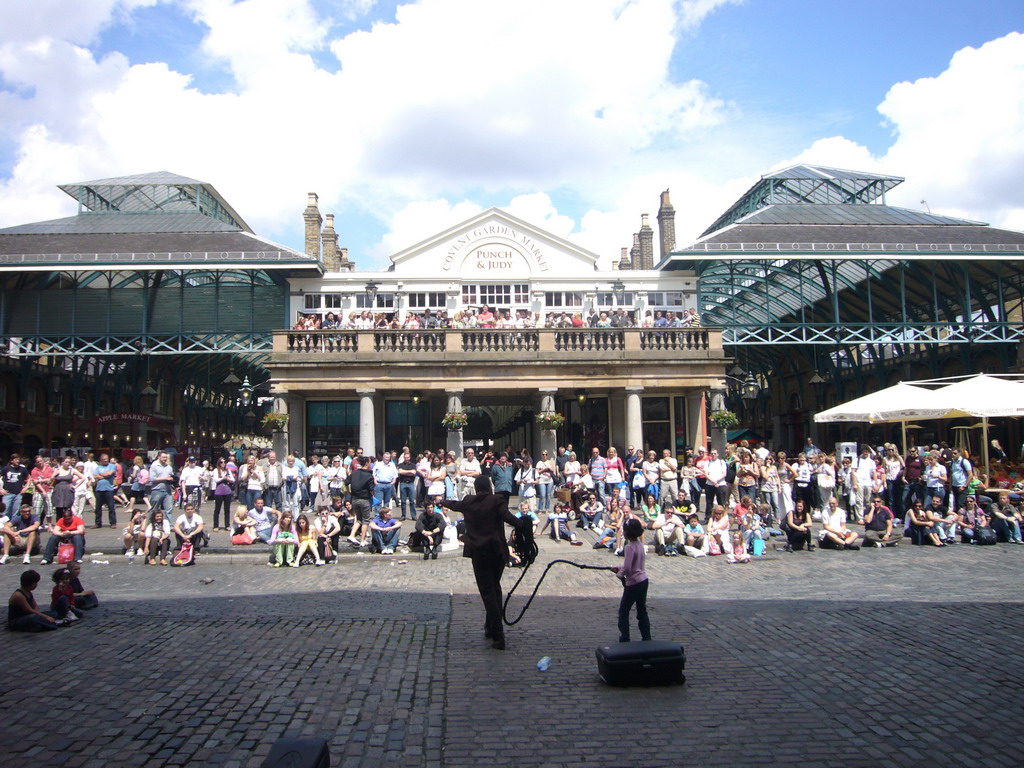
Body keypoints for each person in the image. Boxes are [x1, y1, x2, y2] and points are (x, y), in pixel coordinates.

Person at [441, 475, 524, 650]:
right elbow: (507, 516)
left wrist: (441, 501)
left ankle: (498, 635)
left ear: (476, 489)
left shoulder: (469, 501)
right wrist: (523, 524)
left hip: (479, 552)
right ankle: (491, 627)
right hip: (497, 551)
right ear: (490, 487)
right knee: (494, 587)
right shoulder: (497, 500)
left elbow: (454, 505)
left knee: (488, 591)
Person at [611, 518, 651, 642]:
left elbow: (628, 568)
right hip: (643, 580)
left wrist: (619, 574)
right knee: (641, 610)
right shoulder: (640, 545)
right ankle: (646, 637)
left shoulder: (629, 547)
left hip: (633, 583)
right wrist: (619, 568)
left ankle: (625, 637)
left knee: (624, 610)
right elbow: (634, 565)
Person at [92, 452, 119, 528]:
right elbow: (95, 476)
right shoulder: (98, 467)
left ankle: (113, 523)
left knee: (111, 507)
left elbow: (109, 474)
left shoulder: (112, 466)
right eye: (104, 459)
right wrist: (104, 475)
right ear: (101, 460)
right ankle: (98, 523)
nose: (105, 461)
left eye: (107, 459)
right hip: (99, 489)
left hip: (109, 489)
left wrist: (101, 475)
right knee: (98, 508)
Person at [1, 453, 29, 520]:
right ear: (11, 460)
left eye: (19, 459)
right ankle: (5, 525)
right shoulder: (6, 468)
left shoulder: (22, 469)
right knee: (5, 510)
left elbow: (29, 478)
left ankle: (13, 525)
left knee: (16, 511)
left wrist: (26, 487)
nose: (18, 461)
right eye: (16, 459)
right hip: (8, 493)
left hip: (18, 494)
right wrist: (1, 489)